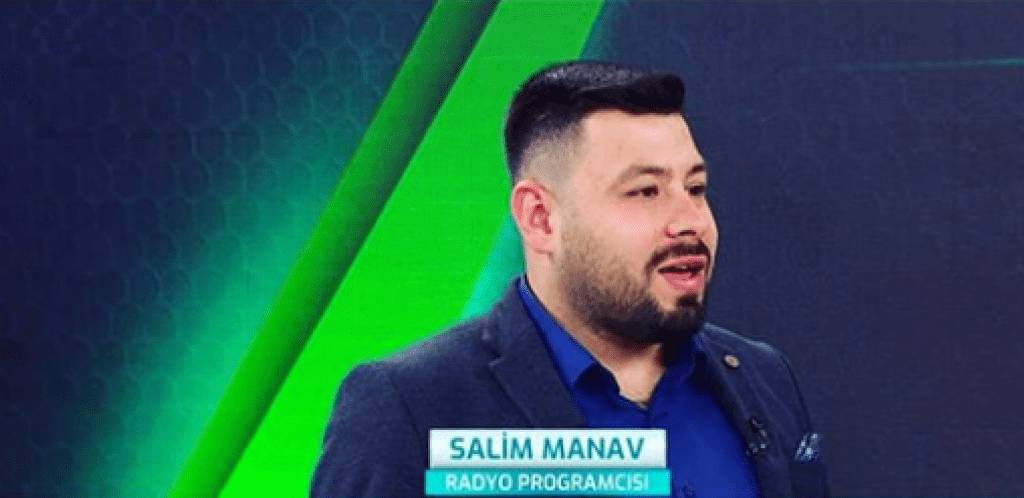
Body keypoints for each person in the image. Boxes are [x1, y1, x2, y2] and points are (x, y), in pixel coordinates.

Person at [311, 61, 829, 498]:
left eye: (695, 188)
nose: (690, 221)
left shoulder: (762, 375)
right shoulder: (409, 406)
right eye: (646, 192)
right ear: (540, 218)